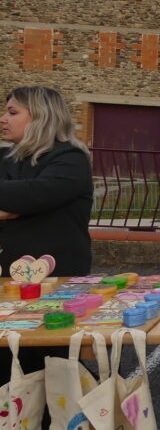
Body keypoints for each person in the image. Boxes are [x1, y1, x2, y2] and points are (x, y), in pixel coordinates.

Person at [0, 86, 93, 388]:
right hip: (7, 284)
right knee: (7, 365)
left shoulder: (70, 158)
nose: (3, 118)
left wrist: (19, 203)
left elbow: (35, 195)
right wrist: (14, 204)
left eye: (12, 112)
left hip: (56, 283)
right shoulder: (5, 156)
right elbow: (24, 197)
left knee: (53, 366)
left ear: (41, 116)